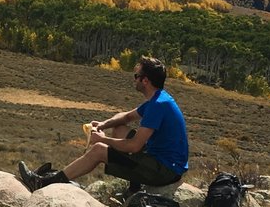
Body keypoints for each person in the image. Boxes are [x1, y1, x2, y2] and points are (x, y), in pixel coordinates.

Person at [19, 56, 188, 193]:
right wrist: (102, 124)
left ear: (145, 81)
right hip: (163, 161)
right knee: (120, 128)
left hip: (165, 171)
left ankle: (42, 184)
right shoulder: (159, 99)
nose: (133, 80)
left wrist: (103, 139)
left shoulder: (157, 106)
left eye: (136, 76)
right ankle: (134, 188)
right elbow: (126, 117)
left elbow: (135, 146)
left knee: (99, 150)